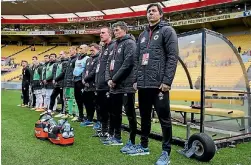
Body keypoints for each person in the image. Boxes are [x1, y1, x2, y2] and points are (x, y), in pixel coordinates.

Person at [128, 3, 178, 165]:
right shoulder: (142, 35)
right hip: (143, 84)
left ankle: (166, 151)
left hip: (159, 85)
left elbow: (172, 56)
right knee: (144, 117)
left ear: (161, 14)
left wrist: (167, 81)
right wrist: (135, 79)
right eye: (148, 11)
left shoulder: (167, 31)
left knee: (164, 119)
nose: (150, 14)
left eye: (153, 11)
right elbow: (136, 59)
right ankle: (143, 146)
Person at [104, 21, 136, 146]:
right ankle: (116, 137)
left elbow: (128, 64)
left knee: (130, 114)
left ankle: (132, 140)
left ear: (124, 30)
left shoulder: (130, 43)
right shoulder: (114, 46)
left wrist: (114, 79)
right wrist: (108, 80)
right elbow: (108, 64)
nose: (115, 32)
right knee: (115, 113)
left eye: (117, 30)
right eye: (114, 30)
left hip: (126, 85)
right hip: (114, 86)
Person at [95, 27, 115, 138]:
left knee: (109, 110)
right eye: (100, 33)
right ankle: (103, 130)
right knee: (101, 109)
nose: (101, 35)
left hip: (107, 85)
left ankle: (110, 131)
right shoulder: (103, 48)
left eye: (103, 33)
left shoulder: (113, 46)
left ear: (110, 34)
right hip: (100, 84)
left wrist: (109, 80)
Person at [81, 43, 100, 128]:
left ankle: (99, 121)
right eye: (90, 50)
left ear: (98, 49)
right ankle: (89, 119)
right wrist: (83, 79)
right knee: (87, 103)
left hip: (94, 85)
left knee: (97, 104)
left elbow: (95, 71)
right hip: (87, 86)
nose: (91, 52)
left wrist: (85, 79)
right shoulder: (89, 59)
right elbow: (85, 70)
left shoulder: (99, 58)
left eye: (93, 50)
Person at [71, 45, 89, 122]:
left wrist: (84, 79)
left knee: (85, 99)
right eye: (79, 48)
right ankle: (80, 115)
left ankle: (88, 116)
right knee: (78, 99)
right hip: (75, 80)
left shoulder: (87, 58)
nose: (80, 50)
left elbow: (87, 70)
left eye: (81, 48)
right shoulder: (77, 58)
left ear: (86, 49)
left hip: (82, 81)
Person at [62, 46, 80, 120]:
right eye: (69, 50)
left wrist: (73, 79)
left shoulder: (76, 59)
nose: (69, 51)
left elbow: (76, 71)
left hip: (72, 82)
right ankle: (69, 113)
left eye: (71, 50)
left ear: (75, 51)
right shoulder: (70, 59)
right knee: (68, 98)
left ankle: (76, 114)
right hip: (67, 82)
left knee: (74, 99)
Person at [50, 51, 69, 117]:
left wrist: (56, 79)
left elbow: (63, 73)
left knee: (62, 98)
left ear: (65, 54)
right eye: (59, 54)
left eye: (61, 54)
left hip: (63, 83)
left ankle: (63, 112)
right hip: (57, 83)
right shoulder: (58, 63)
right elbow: (55, 72)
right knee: (52, 96)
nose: (60, 55)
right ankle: (50, 110)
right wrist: (54, 79)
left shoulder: (66, 62)